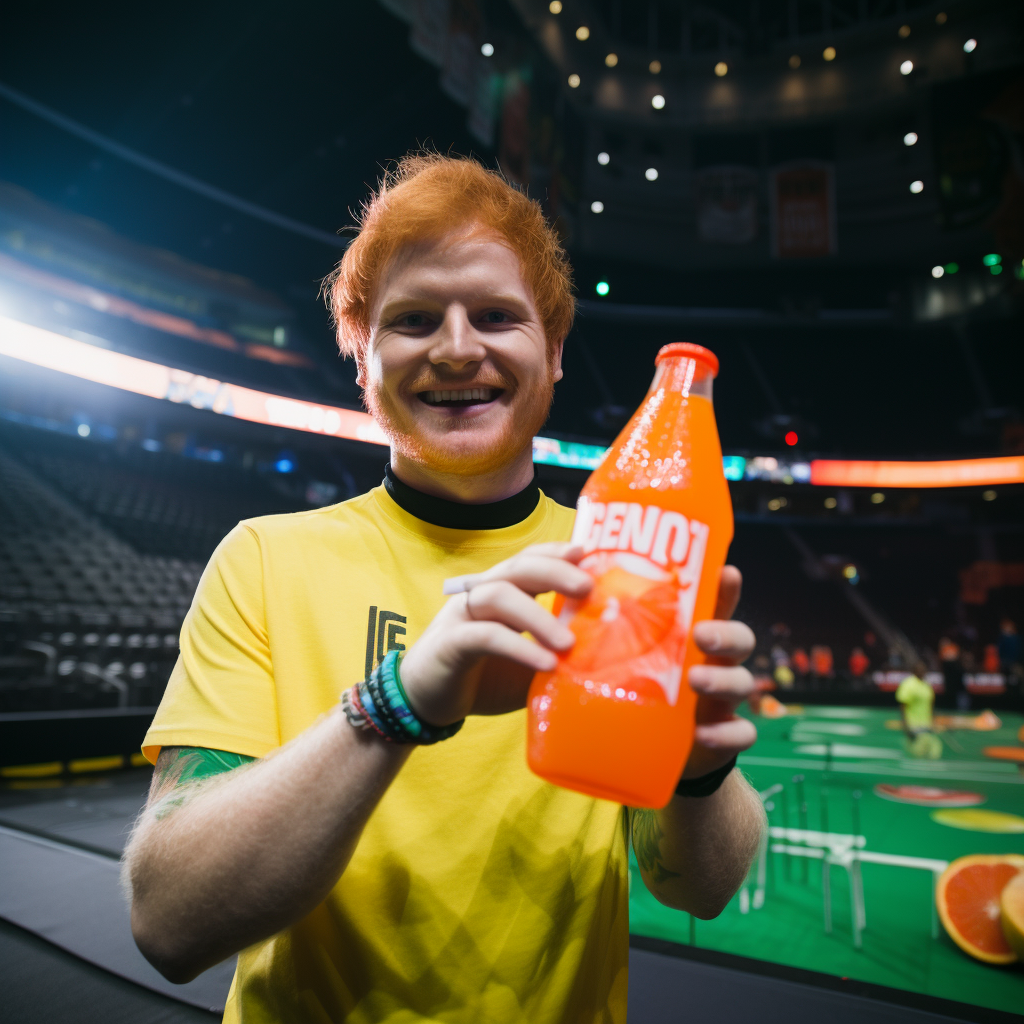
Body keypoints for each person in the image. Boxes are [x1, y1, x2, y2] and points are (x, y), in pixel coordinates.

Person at [122, 154, 765, 1024]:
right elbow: (168, 923)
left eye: (497, 315)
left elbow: (701, 887)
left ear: (556, 352)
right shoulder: (264, 558)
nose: (458, 348)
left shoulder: (631, 561)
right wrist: (400, 701)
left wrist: (700, 771)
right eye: (415, 319)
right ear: (363, 362)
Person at [896, 660, 940, 758]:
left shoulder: (926, 685)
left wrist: (933, 722)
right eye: (920, 670)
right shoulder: (909, 684)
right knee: (916, 755)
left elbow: (931, 705)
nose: (923, 672)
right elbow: (903, 706)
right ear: (914, 671)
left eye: (924, 670)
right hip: (914, 726)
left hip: (926, 725)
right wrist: (906, 725)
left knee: (934, 753)